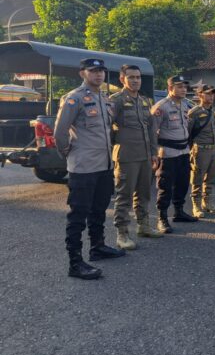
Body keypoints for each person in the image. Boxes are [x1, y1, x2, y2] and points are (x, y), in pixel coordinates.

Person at [54, 58, 126, 280]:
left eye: (102, 71)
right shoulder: (74, 98)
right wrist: (69, 153)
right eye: (93, 71)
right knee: (78, 215)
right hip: (83, 167)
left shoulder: (104, 99)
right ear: (82, 74)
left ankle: (98, 247)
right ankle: (75, 263)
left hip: (103, 165)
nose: (99, 75)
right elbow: (60, 132)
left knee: (99, 209)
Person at [110, 64, 163, 250]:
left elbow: (151, 129)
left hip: (145, 156)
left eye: (138, 77)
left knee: (144, 193)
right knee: (124, 196)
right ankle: (122, 234)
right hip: (126, 156)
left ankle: (143, 226)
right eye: (131, 77)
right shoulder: (115, 100)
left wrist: (154, 153)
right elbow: (106, 127)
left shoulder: (145, 101)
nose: (135, 80)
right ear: (122, 79)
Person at [151, 75, 197, 233]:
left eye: (184, 86)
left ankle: (179, 211)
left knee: (183, 183)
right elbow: (152, 132)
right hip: (167, 152)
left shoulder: (185, 105)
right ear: (170, 88)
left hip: (184, 150)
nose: (183, 89)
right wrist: (154, 153)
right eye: (179, 86)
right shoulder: (161, 107)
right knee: (165, 186)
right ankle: (162, 218)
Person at [188, 84, 215, 218]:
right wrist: (191, 150)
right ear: (200, 95)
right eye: (208, 94)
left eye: (212, 94)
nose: (211, 96)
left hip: (212, 149)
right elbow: (188, 133)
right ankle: (196, 205)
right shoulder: (194, 112)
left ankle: (207, 202)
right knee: (197, 178)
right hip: (200, 150)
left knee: (210, 178)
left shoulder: (212, 112)